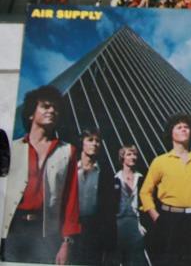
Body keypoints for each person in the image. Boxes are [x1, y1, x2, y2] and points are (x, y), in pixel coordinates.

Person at [1, 85, 80, 264]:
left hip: (46, 233)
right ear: (31, 114)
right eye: (45, 106)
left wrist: (67, 242)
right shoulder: (12, 148)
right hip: (12, 229)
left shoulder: (68, 151)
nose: (51, 110)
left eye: (55, 108)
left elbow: (71, 199)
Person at [139, 113, 191, 266]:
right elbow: (145, 192)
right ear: (171, 133)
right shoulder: (160, 161)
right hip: (169, 221)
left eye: (186, 127)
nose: (183, 129)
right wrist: (156, 216)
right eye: (179, 127)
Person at [72, 128, 115, 265]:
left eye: (97, 141)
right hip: (72, 228)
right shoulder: (71, 169)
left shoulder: (105, 173)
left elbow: (109, 209)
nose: (95, 144)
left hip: (95, 230)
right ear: (82, 143)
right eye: (90, 140)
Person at [112, 144, 146, 266]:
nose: (133, 157)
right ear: (122, 157)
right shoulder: (115, 179)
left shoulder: (141, 178)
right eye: (129, 154)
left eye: (135, 154)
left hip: (137, 224)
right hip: (119, 223)